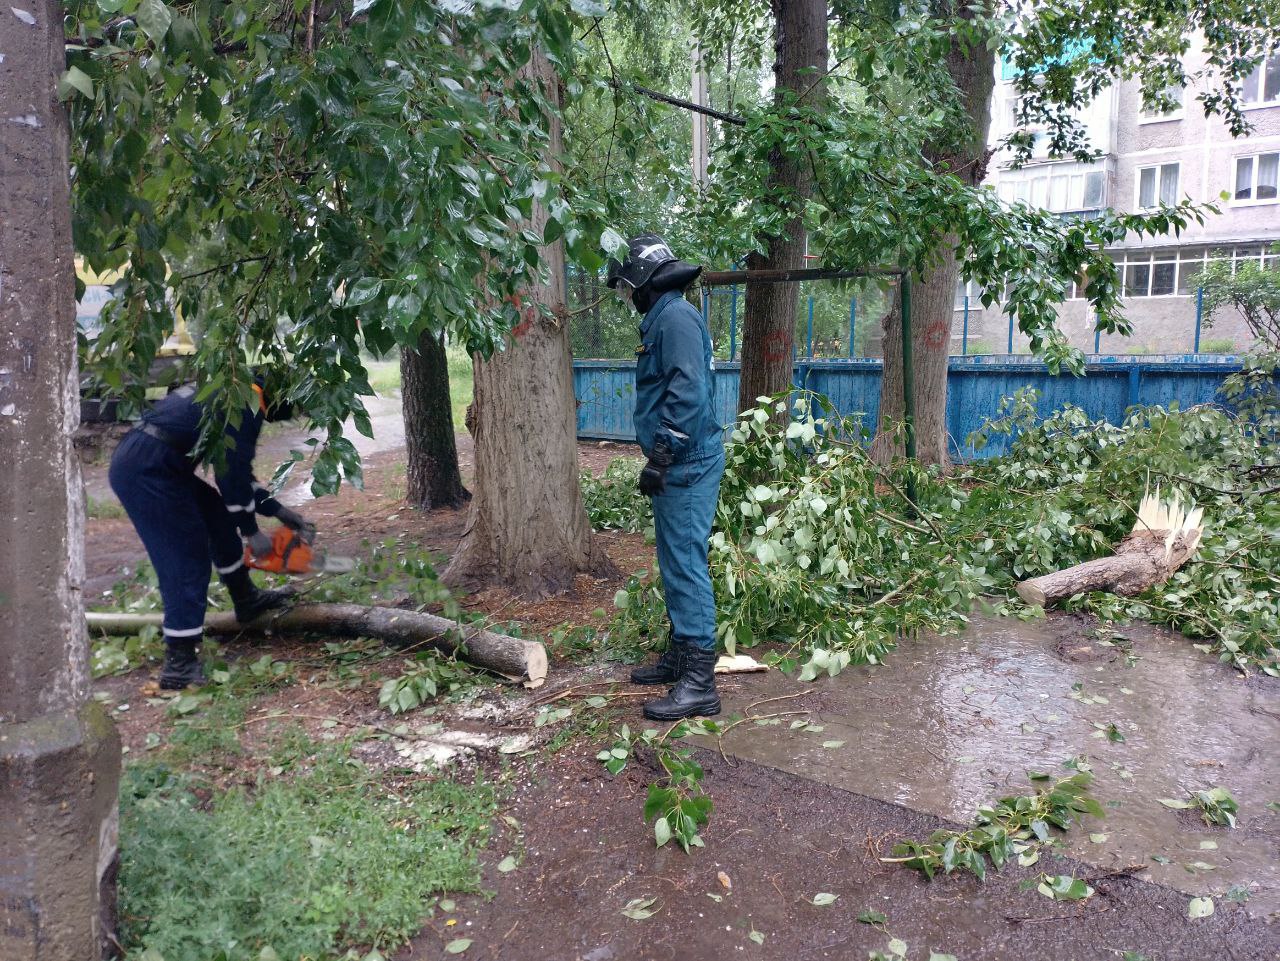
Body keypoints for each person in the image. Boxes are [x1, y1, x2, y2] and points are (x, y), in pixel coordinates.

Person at [108, 372, 312, 690]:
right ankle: (179, 664)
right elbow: (231, 476)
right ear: (281, 397)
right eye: (297, 408)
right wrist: (251, 532)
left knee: (218, 517)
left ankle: (246, 599)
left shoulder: (237, 388)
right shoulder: (245, 403)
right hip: (147, 471)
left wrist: (282, 513)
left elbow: (237, 474)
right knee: (186, 559)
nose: (294, 416)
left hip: (156, 462)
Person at [607, 234, 725, 721]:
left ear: (643, 282)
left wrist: (661, 456)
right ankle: (681, 654)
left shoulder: (674, 318)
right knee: (674, 560)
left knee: (686, 563)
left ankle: (700, 682)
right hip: (681, 461)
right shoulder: (667, 316)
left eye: (626, 287)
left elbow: (687, 391)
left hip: (687, 462)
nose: (626, 296)